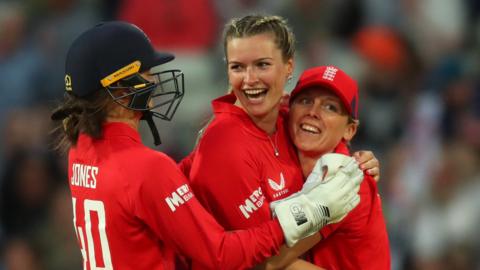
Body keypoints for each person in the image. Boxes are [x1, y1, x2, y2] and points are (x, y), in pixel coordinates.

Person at [50, 21, 363, 270]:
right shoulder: (146, 168)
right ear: (119, 87)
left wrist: (201, 156)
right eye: (146, 73)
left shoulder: (80, 150)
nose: (156, 82)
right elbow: (222, 255)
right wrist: (305, 213)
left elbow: (141, 196)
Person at [187, 15, 380, 269]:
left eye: (262, 65)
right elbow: (260, 262)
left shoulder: (289, 117)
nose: (249, 79)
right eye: (237, 67)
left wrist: (360, 164)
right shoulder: (226, 146)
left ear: (289, 67)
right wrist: (324, 215)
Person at [287, 65, 391, 269]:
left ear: (349, 130)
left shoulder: (347, 181)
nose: (313, 112)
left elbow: (272, 259)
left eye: (330, 107)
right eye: (305, 101)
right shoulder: (289, 148)